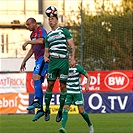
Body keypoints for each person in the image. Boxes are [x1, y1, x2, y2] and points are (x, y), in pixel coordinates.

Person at [44, 6, 76, 122]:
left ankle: (60, 111)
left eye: (52, 19)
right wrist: (45, 56)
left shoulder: (64, 31)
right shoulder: (48, 36)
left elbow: (72, 46)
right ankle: (47, 109)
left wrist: (72, 59)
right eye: (49, 19)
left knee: (63, 86)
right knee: (50, 85)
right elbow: (46, 51)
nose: (50, 21)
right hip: (53, 62)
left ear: (57, 19)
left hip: (63, 61)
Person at [20, 17, 48, 121]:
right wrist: (24, 60)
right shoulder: (32, 35)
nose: (27, 27)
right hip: (38, 60)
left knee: (35, 76)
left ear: (34, 23)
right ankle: (40, 110)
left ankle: (36, 101)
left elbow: (41, 41)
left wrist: (27, 42)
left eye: (29, 24)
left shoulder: (41, 30)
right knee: (37, 82)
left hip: (44, 58)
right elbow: (32, 50)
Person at [59, 58, 94, 133]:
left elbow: (88, 76)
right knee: (65, 109)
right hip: (68, 92)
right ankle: (63, 128)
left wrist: (87, 85)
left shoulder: (78, 68)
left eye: (71, 60)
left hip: (77, 92)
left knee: (81, 111)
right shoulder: (64, 68)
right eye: (69, 60)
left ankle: (90, 124)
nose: (70, 61)